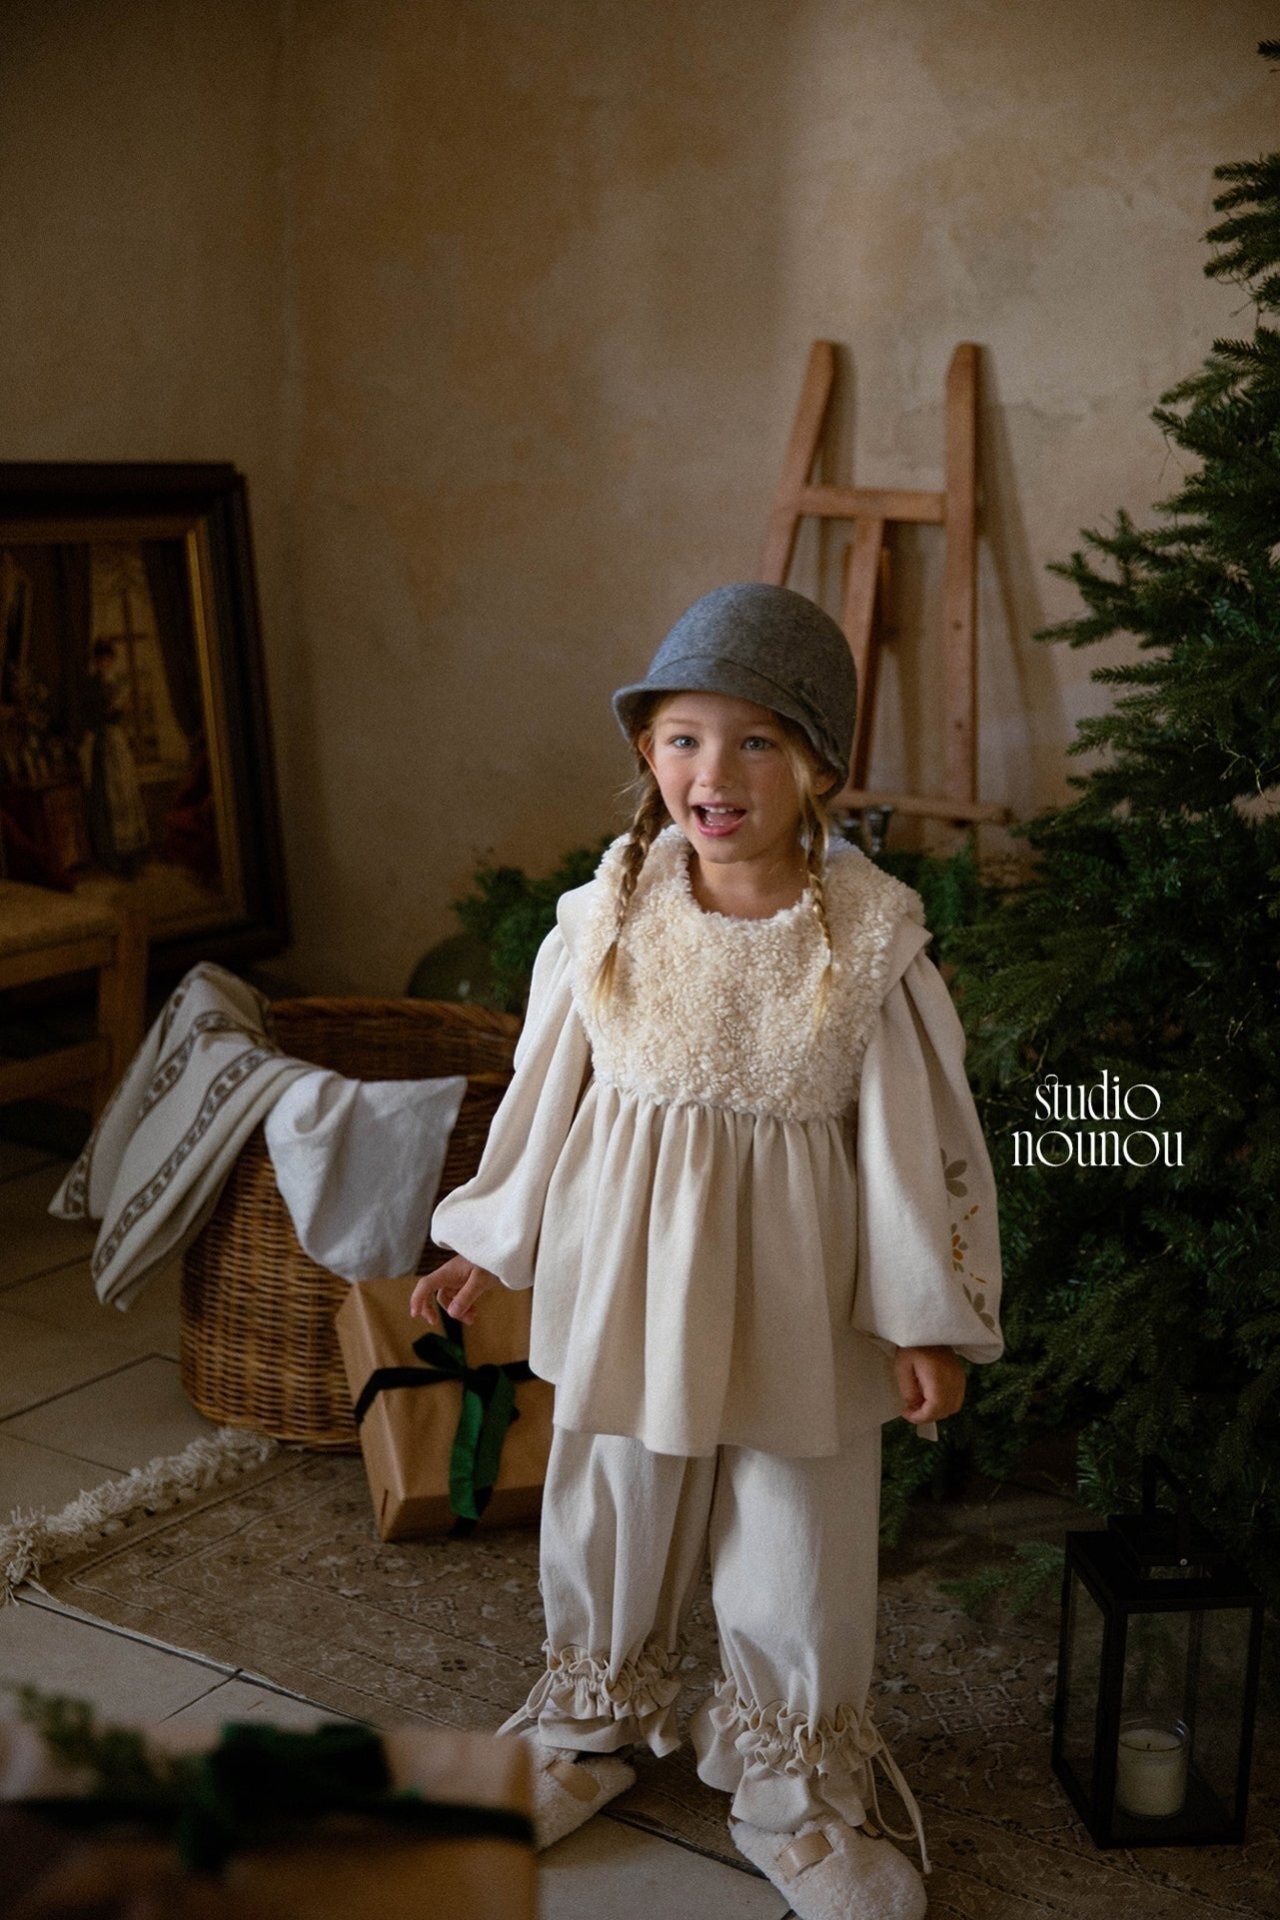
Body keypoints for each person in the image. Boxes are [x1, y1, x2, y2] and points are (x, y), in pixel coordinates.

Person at [410, 582, 1004, 1920]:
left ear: (818, 769)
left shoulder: (869, 940)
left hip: (801, 1292)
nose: (714, 775)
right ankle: (586, 1725)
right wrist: (492, 1242)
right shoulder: (610, 912)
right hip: (633, 1274)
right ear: (647, 751)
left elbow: (917, 1143)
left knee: (797, 1530)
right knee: (613, 1493)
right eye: (683, 739)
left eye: (756, 743)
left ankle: (797, 1792)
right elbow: (544, 1093)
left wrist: (925, 1316)